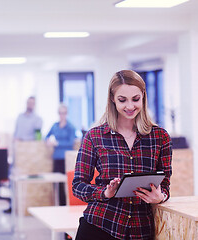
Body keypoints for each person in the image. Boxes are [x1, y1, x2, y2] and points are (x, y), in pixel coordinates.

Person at [72, 70, 172, 240]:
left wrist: (160, 197)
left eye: (135, 99)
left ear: (143, 97)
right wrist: (105, 192)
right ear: (112, 98)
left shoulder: (160, 137)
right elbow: (78, 185)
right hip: (99, 226)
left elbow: (166, 184)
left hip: (140, 231)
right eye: (122, 100)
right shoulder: (95, 136)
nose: (130, 106)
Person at [46, 103, 76, 205]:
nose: (61, 115)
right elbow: (46, 136)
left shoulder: (70, 127)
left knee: (65, 183)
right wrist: (48, 141)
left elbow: (70, 142)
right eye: (60, 113)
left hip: (66, 159)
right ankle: (57, 204)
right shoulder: (55, 126)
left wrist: (57, 143)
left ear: (66, 113)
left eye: (63, 113)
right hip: (56, 158)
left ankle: (64, 205)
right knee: (56, 183)